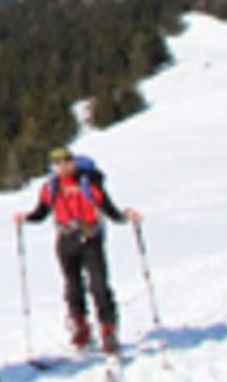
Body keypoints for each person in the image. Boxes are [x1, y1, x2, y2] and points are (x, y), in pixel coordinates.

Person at [14, 146, 142, 355]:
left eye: (66, 161)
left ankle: (108, 330)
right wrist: (26, 218)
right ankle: (81, 326)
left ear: (73, 162)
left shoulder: (89, 184)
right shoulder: (51, 187)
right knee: (73, 287)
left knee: (99, 286)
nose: (63, 166)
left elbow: (110, 210)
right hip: (66, 240)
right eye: (57, 163)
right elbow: (42, 212)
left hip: (90, 238)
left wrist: (127, 216)